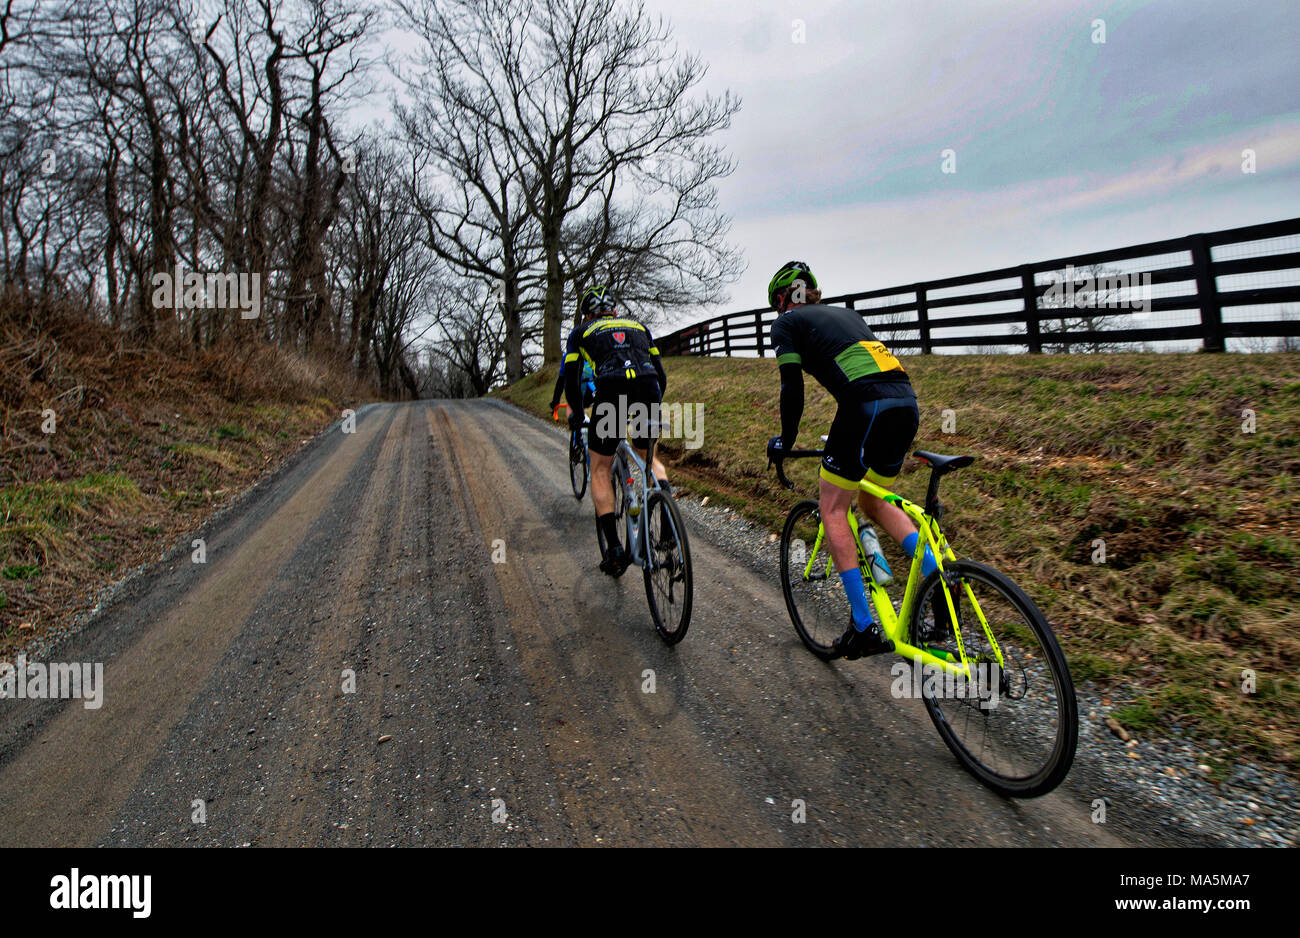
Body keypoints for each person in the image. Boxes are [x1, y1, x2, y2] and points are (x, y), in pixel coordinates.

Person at [764, 261, 937, 660]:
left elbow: (792, 386)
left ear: (780, 299)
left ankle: (863, 625)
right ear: (812, 292)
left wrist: (786, 440)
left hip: (864, 406)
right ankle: (940, 585)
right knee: (873, 499)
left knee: (832, 506)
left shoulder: (786, 324)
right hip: (905, 404)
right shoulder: (848, 315)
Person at [563, 285, 670, 577]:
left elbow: (571, 380)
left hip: (611, 391)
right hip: (647, 387)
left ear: (587, 315)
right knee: (649, 458)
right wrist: (653, 406)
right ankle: (669, 525)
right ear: (614, 311)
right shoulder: (639, 327)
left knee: (599, 468)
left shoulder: (580, 333)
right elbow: (661, 376)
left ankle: (613, 549)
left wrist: (575, 415)